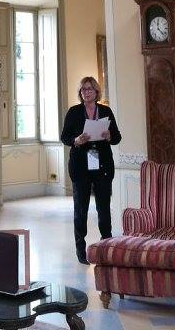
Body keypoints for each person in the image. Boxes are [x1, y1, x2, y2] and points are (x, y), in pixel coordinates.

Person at [60, 76, 121, 264]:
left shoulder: (105, 111)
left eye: (89, 89)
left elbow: (117, 137)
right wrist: (76, 140)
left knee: (104, 208)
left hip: (102, 166)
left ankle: (106, 246)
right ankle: (81, 250)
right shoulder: (74, 112)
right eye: (83, 89)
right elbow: (64, 137)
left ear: (96, 92)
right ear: (80, 93)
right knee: (81, 209)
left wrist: (109, 136)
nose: (86, 92)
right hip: (80, 166)